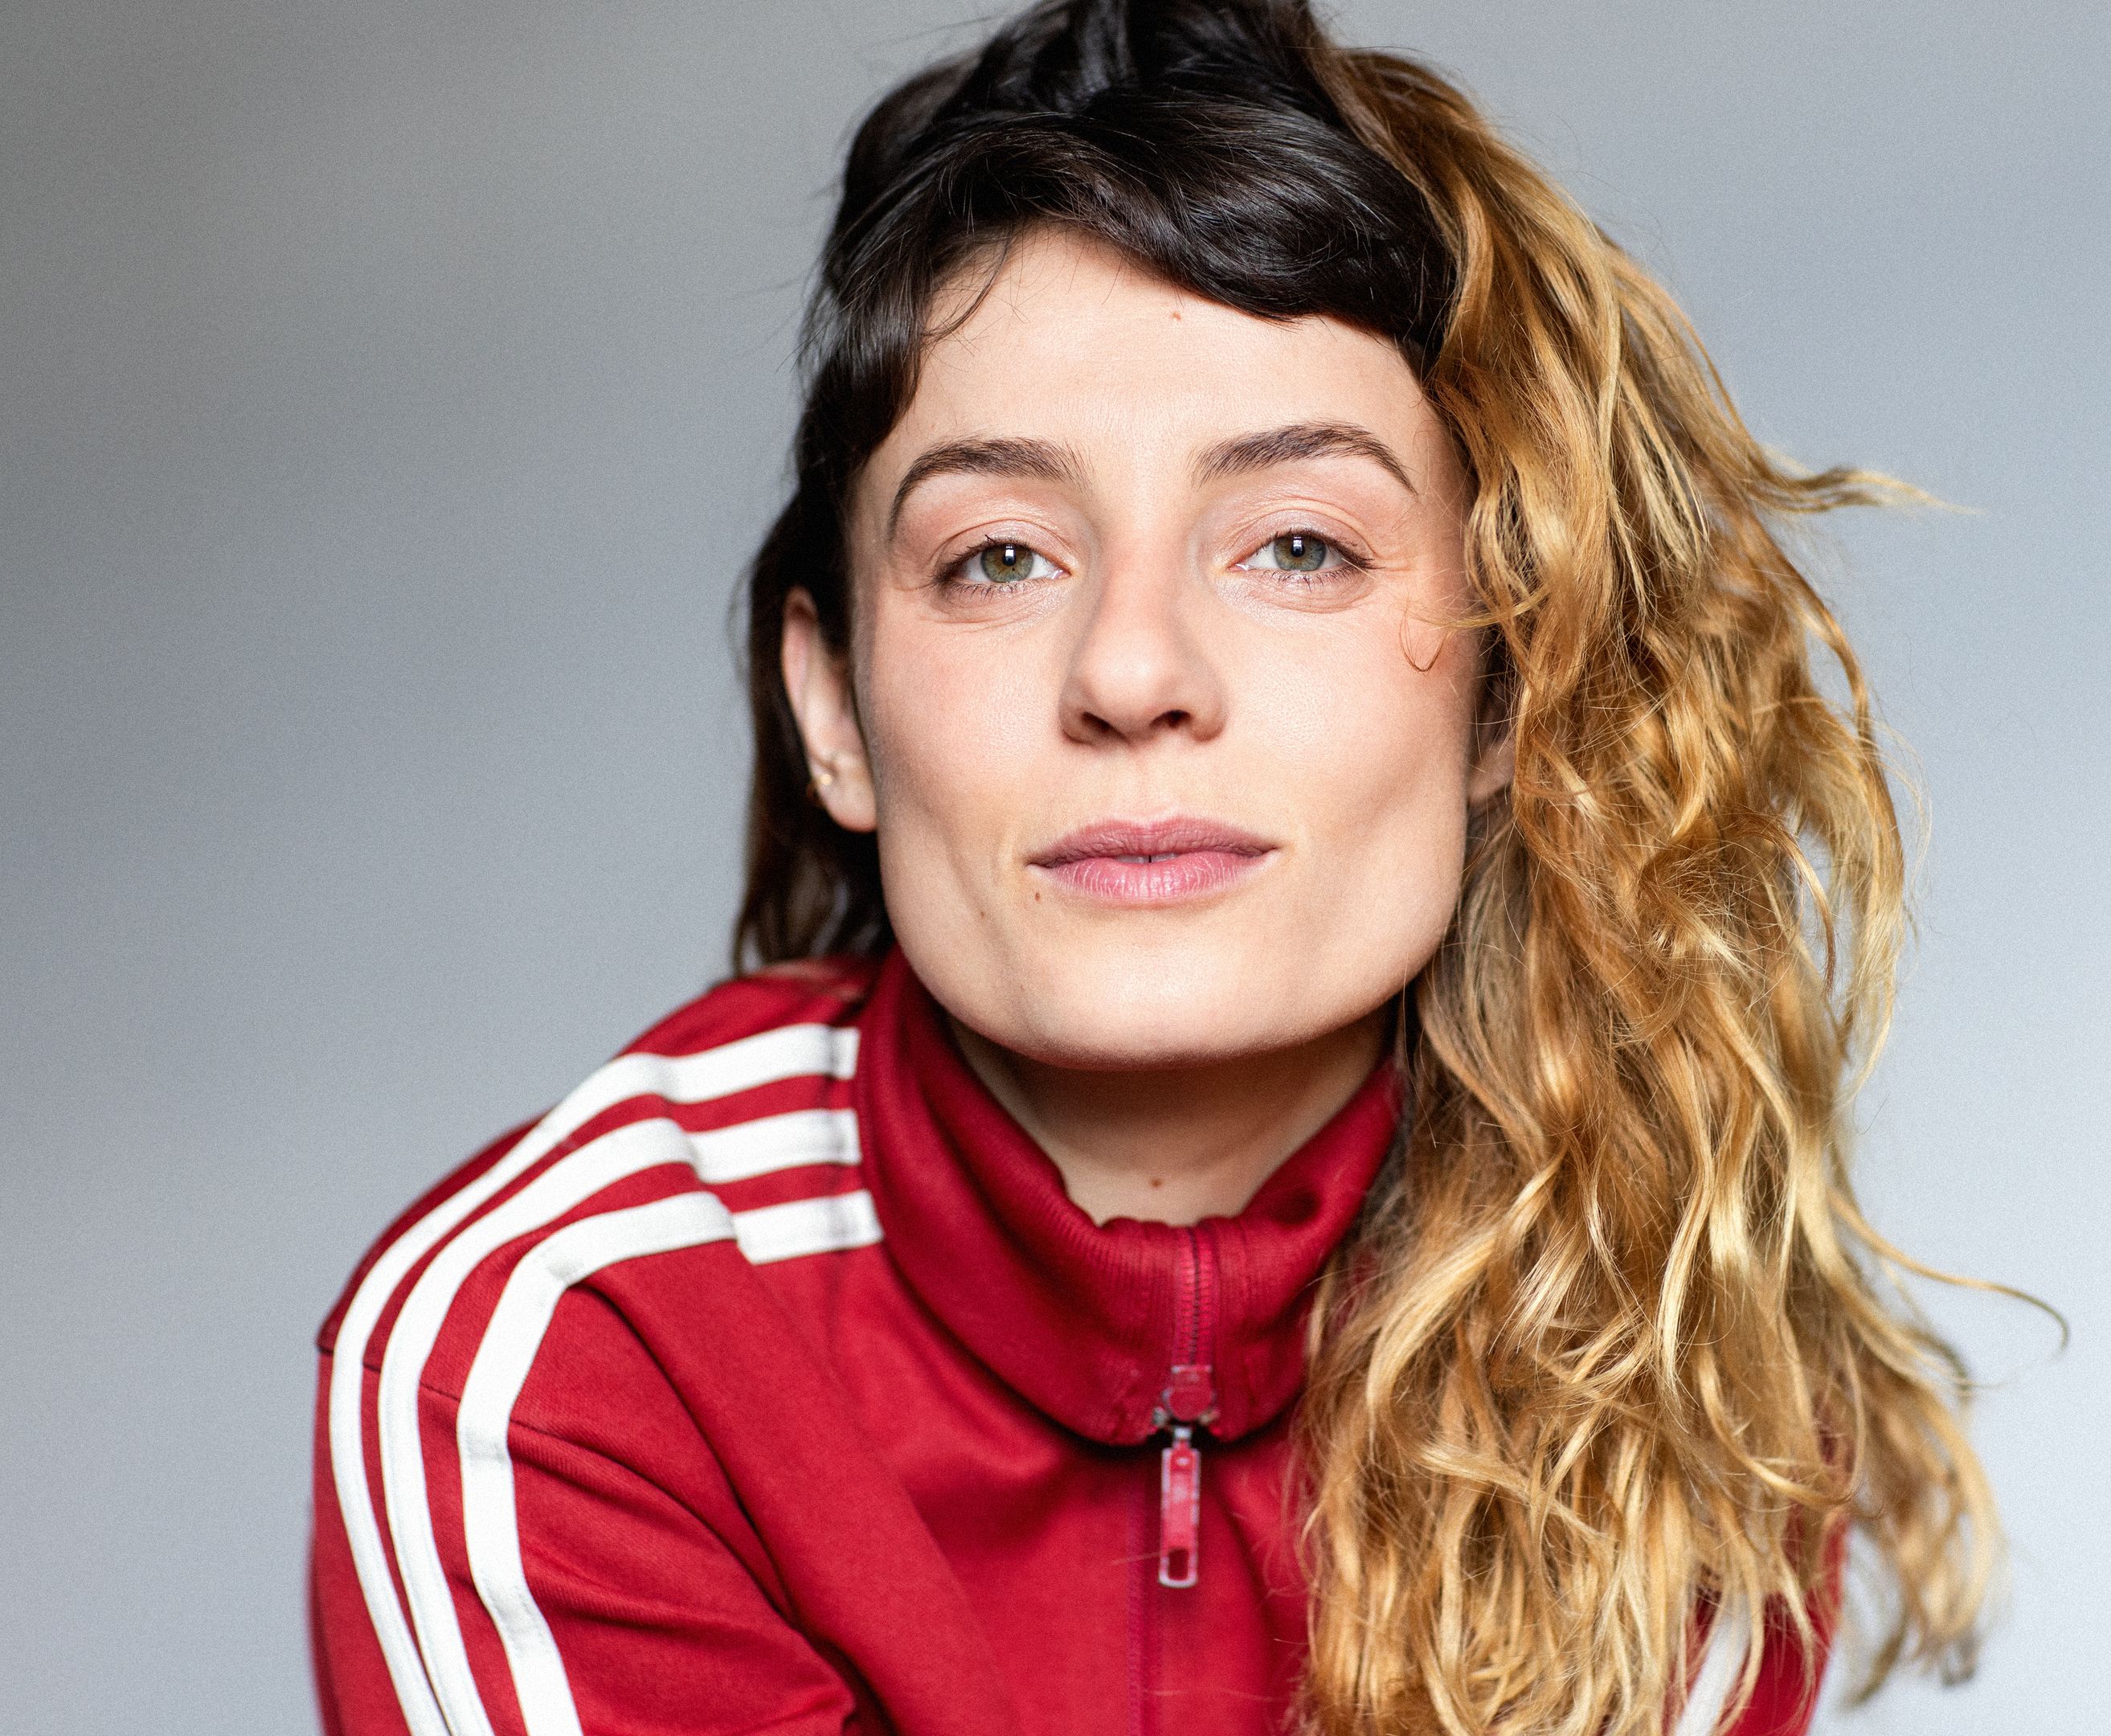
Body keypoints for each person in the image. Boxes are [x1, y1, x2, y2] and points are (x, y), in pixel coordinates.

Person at [308, 2, 2002, 1732]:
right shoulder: (564, 1352)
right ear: (834, 710)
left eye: (1297, 544)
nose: (1130, 671)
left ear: (1511, 688)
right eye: (997, 559)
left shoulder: (1659, 1348)